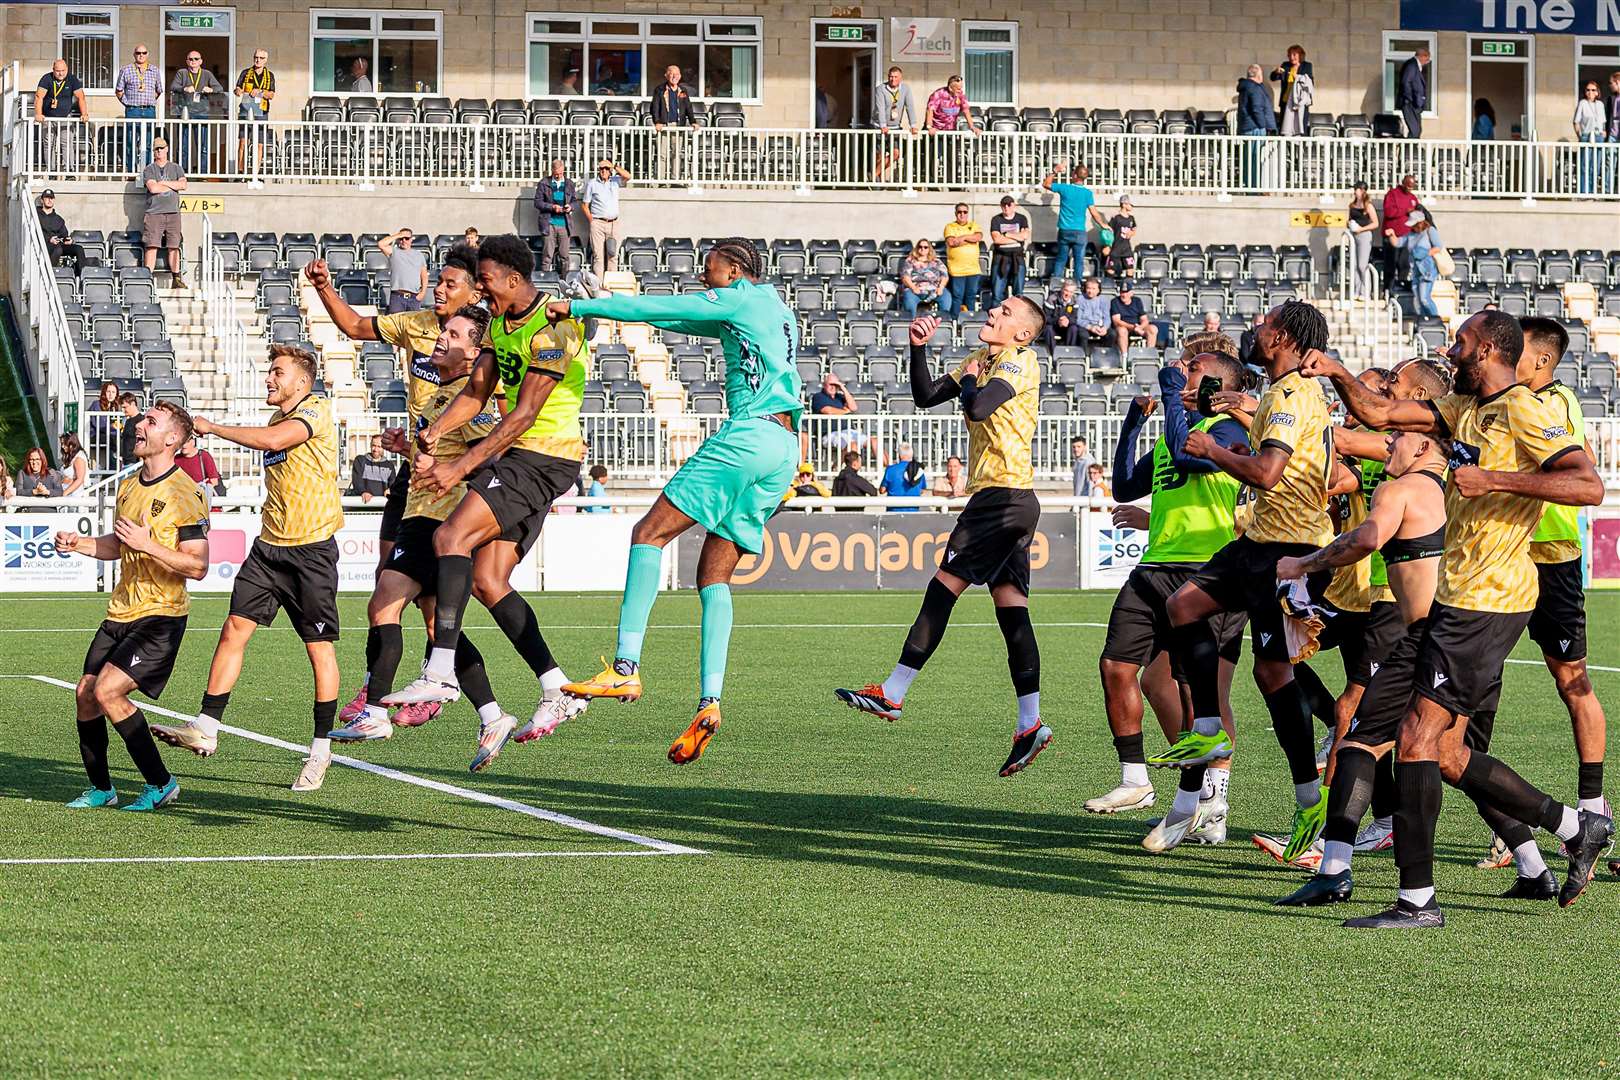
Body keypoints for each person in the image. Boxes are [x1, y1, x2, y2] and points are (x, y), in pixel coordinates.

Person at [1302, 311, 1612, 925]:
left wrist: (1492, 477)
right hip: (1455, 597)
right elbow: (1381, 415)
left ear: (1490, 348)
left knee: (1416, 740)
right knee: (1442, 751)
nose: (1451, 348)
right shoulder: (1465, 407)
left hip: (1489, 600)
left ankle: (1417, 899)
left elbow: (1589, 486)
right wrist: (1336, 371)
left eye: (1461, 341)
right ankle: (1575, 827)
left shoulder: (1527, 408)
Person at [549, 239, 801, 765]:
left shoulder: (736, 296)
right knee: (714, 575)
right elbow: (682, 322)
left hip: (749, 436)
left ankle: (623, 668)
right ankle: (710, 701)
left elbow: (660, 307)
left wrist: (582, 306)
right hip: (784, 450)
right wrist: (627, 317)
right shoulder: (775, 309)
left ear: (734, 268)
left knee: (649, 534)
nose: (702, 271)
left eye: (710, 263)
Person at [380, 236, 593, 763]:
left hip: (542, 457)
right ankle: (557, 689)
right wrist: (433, 432)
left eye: (488, 280)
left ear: (516, 279)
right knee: (486, 580)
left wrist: (458, 465)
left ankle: (441, 673)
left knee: (450, 535)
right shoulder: (501, 325)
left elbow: (519, 415)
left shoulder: (554, 330)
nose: (482, 290)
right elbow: (476, 393)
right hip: (524, 459)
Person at [1152, 301, 1338, 861]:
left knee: (1273, 673)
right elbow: (1276, 427)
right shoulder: (1290, 394)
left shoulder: (1289, 395)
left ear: (1279, 336)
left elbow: (1267, 472)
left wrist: (1211, 448)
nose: (1253, 330)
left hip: (1289, 549)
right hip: (1259, 542)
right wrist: (1236, 404)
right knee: (1183, 607)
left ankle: (1311, 802)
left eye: (1263, 325)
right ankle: (1208, 725)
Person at [836, 299, 1049, 777]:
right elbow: (927, 395)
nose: (995, 310)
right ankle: (1030, 722)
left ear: (1023, 334)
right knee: (1012, 611)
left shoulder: (1018, 360)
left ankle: (893, 692)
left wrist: (971, 376)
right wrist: (918, 349)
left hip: (1000, 499)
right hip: (1010, 498)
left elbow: (977, 406)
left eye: (1007, 310)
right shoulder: (985, 360)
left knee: (942, 588)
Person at [328, 308, 526, 768]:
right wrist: (409, 448)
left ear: (475, 354)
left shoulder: (469, 398)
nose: (441, 338)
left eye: (454, 335)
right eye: (442, 331)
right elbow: (445, 449)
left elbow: (493, 451)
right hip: (424, 515)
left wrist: (446, 471)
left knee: (385, 601)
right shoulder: (442, 397)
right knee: (437, 627)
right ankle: (493, 715)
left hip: (440, 519)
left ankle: (375, 710)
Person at [150, 345, 346, 793]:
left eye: (277, 372)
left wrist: (212, 427)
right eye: (269, 371)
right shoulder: (278, 419)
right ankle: (206, 726)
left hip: (311, 552)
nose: (269, 379)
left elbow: (274, 442)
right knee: (233, 631)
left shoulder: (316, 409)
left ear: (302, 381)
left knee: (319, 651)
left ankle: (320, 748)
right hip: (268, 549)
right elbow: (272, 437)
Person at [1271, 425, 1449, 907]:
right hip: (1428, 630)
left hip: (1430, 633)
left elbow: (1366, 537)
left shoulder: (1403, 489)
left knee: (1399, 746)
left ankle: (1360, 871)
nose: (1386, 442)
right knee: (1430, 753)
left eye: (1396, 435)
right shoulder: (1450, 484)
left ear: (1426, 443)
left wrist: (1303, 564)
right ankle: (1340, 867)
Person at [1459, 318, 1610, 874]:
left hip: (1550, 560)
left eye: (1520, 351)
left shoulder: (1553, 404)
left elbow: (1576, 477)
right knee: (1472, 705)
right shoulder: (1490, 403)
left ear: (1541, 362)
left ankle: (1593, 807)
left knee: (1573, 682)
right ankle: (1511, 827)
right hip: (1496, 566)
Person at [1089, 342, 1251, 829]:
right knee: (1119, 667)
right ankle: (1136, 779)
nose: (1183, 372)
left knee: (1199, 692)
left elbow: (1189, 459)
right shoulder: (1174, 432)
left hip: (1207, 571)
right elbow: (1123, 486)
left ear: (1215, 386)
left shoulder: (1225, 431)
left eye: (1193, 368)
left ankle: (1211, 803)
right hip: (1154, 565)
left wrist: (1169, 390)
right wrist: (1133, 424)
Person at [55, 400, 208, 813]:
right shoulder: (128, 485)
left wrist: (149, 545)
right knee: (86, 695)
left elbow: (198, 565)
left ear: (172, 439)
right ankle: (102, 789)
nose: (140, 425)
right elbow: (118, 545)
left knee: (107, 690)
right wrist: (79, 544)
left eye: (151, 422)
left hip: (161, 614)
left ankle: (161, 784)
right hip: (120, 611)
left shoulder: (186, 493)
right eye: (143, 419)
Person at [305, 241, 487, 583]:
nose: (439, 290)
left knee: (456, 590)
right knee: (385, 574)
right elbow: (356, 327)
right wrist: (323, 287)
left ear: (475, 294)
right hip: (415, 466)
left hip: (455, 472)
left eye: (451, 285)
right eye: (439, 281)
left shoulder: (487, 341)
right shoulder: (416, 323)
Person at [1041, 163, 1108, 282]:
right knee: (1079, 261)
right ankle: (1077, 287)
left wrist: (1054, 171)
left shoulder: (1066, 188)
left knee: (1061, 259)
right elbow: (1094, 212)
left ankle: (1056, 284)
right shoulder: (1087, 193)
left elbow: (1046, 184)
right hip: (1080, 232)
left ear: (1075, 175)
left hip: (1065, 231)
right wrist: (1103, 224)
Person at [169, 49, 225, 174]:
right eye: (190, 59)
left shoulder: (206, 74)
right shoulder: (182, 73)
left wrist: (211, 89)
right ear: (186, 61)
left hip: (202, 113)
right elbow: (173, 87)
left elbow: (219, 88)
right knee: (183, 146)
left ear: (201, 61)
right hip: (185, 113)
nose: (193, 61)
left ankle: (202, 172)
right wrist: (184, 88)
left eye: (196, 59)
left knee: (203, 146)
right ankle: (182, 172)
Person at [140, 139, 187, 288]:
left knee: (174, 246)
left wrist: (163, 184)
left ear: (167, 149)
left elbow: (183, 185)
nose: (159, 151)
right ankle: (148, 278)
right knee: (152, 245)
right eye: (156, 149)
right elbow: (153, 189)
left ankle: (176, 278)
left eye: (161, 148)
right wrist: (172, 185)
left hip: (173, 212)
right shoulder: (149, 169)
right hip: (154, 213)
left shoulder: (176, 168)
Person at [34, 58, 86, 173]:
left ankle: (69, 171)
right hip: (48, 117)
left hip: (65, 117)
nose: (60, 73)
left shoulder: (72, 79)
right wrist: (38, 114)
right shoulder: (46, 78)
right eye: (57, 71)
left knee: (66, 143)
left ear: (67, 69)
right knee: (48, 143)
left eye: (63, 70)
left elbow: (81, 97)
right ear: (53, 70)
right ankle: (51, 170)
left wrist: (84, 114)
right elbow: (39, 97)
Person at [113, 43, 161, 168]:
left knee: (148, 142)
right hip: (132, 110)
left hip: (149, 110)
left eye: (144, 53)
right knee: (130, 142)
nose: (141, 55)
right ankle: (131, 170)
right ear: (134, 54)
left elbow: (159, 90)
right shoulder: (126, 69)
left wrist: (148, 101)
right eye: (138, 53)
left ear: (147, 54)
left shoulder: (155, 70)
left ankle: (147, 170)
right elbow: (119, 91)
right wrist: (128, 103)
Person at [582, 158, 632, 276]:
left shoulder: (615, 181)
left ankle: (611, 286)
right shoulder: (592, 184)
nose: (603, 171)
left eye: (606, 169)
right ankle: (599, 286)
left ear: (610, 170)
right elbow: (585, 205)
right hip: (598, 223)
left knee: (613, 255)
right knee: (598, 257)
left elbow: (628, 176)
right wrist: (591, 220)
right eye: (601, 169)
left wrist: (614, 166)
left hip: (613, 223)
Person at [873, 66, 919, 182]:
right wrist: (883, 124)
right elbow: (880, 108)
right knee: (880, 156)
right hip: (879, 126)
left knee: (896, 153)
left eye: (895, 77)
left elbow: (910, 107)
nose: (892, 79)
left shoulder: (905, 89)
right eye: (890, 77)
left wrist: (913, 124)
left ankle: (873, 175)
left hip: (895, 126)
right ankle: (877, 179)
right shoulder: (880, 89)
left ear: (900, 78)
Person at [234, 50, 276, 175]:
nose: (258, 60)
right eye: (256, 57)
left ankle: (255, 173)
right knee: (243, 141)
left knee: (259, 144)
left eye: (261, 58)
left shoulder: (270, 75)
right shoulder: (245, 73)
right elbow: (237, 89)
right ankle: (240, 172)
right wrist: (238, 91)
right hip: (246, 110)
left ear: (266, 60)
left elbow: (271, 94)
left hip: (261, 112)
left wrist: (260, 92)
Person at [1236, 64, 1277, 191]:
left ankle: (1250, 187)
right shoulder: (1255, 88)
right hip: (1255, 129)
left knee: (1248, 160)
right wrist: (1263, 126)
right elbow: (1256, 109)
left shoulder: (1246, 87)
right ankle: (1253, 189)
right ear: (1259, 75)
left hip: (1247, 127)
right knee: (1254, 160)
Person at [534, 160, 578, 273]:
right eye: (556, 174)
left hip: (565, 224)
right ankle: (546, 280)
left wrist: (570, 207)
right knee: (547, 255)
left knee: (564, 256)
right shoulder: (544, 183)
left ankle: (563, 280)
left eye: (560, 173)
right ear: (552, 171)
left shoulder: (569, 184)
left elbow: (574, 201)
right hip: (549, 224)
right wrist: (552, 207)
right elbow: (537, 203)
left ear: (563, 171)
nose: (558, 176)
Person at [942, 203, 983, 319]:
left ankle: (969, 322)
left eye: (965, 212)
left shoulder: (974, 225)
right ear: (956, 213)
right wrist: (970, 239)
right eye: (959, 212)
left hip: (973, 269)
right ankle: (955, 322)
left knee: (971, 297)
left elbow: (978, 237)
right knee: (957, 297)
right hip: (957, 270)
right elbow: (951, 242)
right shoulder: (950, 227)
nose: (962, 214)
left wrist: (961, 238)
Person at [988, 196, 1030, 305]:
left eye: (1009, 204)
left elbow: (1024, 236)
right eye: (1004, 205)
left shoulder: (1022, 218)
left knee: (1019, 294)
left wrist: (1007, 234)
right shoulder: (996, 219)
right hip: (1000, 259)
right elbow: (997, 239)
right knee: (997, 293)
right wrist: (1016, 237)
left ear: (1014, 205)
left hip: (1018, 258)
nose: (1006, 207)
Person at [1381, 174, 1420, 293]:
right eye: (1408, 187)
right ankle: (1388, 290)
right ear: (1403, 184)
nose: (1410, 189)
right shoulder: (1392, 194)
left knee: (1404, 265)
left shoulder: (1413, 198)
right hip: (1392, 236)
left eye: (1412, 187)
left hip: (1407, 237)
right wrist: (1405, 210)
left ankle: (1400, 289)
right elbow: (1389, 212)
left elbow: (1418, 215)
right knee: (1390, 265)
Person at [812, 373, 865, 453]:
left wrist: (843, 388)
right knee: (852, 445)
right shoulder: (818, 397)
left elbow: (853, 408)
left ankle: (890, 465)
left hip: (848, 431)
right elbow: (828, 411)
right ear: (824, 385)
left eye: (836, 385)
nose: (833, 387)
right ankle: (848, 465)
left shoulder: (840, 397)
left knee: (875, 442)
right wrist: (846, 411)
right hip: (830, 433)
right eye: (831, 384)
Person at [379, 228, 428, 313]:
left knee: (412, 325)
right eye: (401, 239)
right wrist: (398, 235)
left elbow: (424, 275)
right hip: (397, 297)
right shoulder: (394, 252)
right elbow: (381, 244)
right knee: (395, 325)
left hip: (414, 298)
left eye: (407, 238)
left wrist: (423, 293)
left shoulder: (419, 255)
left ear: (411, 239)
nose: (404, 240)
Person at [37, 189, 85, 275]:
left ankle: (81, 276)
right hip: (44, 244)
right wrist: (49, 239)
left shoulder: (58, 219)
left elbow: (64, 234)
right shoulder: (36, 216)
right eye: (47, 198)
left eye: (51, 198)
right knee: (58, 249)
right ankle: (50, 275)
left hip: (58, 244)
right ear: (42, 200)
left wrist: (68, 240)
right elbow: (34, 232)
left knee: (79, 249)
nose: (49, 200)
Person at [898, 239, 947, 317]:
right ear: (917, 248)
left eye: (925, 247)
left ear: (929, 249)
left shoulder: (936, 261)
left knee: (946, 298)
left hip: (935, 288)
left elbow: (944, 275)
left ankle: (943, 322)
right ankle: (912, 322)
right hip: (915, 289)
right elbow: (905, 276)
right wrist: (913, 288)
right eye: (920, 247)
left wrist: (941, 287)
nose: (922, 249)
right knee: (909, 299)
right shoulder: (910, 261)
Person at [1270, 45, 1313, 131]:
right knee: (1285, 128)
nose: (1291, 57)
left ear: (1300, 55)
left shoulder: (1307, 66)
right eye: (1289, 55)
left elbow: (1309, 82)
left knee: (1300, 128)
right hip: (1286, 102)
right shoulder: (1285, 65)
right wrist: (1276, 72)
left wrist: (1296, 76)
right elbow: (1273, 78)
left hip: (1300, 102)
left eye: (1294, 55)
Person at [1406, 211, 1442, 317]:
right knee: (1418, 301)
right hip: (1415, 270)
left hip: (1427, 269)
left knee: (1424, 299)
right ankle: (1424, 322)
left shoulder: (1430, 231)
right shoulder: (1412, 235)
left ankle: (1436, 320)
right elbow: (1399, 242)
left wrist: (1425, 254)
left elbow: (1438, 246)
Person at [1109, 281, 1158, 355]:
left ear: (1131, 293)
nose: (1124, 295)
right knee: (1122, 330)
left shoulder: (1137, 301)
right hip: (1124, 326)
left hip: (1137, 326)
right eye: (1122, 292)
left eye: (1126, 292)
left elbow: (1144, 319)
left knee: (1153, 328)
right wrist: (1134, 327)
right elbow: (1117, 321)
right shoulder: (1115, 302)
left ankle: (1149, 354)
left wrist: (1140, 327)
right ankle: (1124, 356)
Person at [1575, 81, 1606, 195]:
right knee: (1585, 166)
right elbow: (1576, 122)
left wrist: (1604, 132)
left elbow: (1603, 122)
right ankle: (1584, 192)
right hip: (1586, 136)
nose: (1590, 92)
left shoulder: (1600, 105)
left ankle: (1593, 192)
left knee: (1596, 166)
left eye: (1593, 90)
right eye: (1588, 90)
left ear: (1597, 92)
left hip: (1598, 137)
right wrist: (1580, 135)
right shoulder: (1582, 103)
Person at [1347, 181, 1377, 298]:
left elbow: (1375, 223)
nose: (1355, 192)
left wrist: (1361, 229)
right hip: (1353, 235)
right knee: (1353, 264)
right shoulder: (1352, 205)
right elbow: (1350, 218)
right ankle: (1356, 290)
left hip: (1364, 235)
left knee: (1362, 264)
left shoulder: (1368, 206)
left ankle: (1365, 291)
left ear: (1363, 191)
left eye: (1357, 189)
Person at [347, 435, 396, 502]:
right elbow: (357, 481)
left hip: (382, 505)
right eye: (373, 445)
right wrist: (363, 492)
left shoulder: (389, 466)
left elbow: (393, 485)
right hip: (362, 504)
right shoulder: (360, 460)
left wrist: (390, 490)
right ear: (370, 445)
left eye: (379, 446)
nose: (375, 449)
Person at [880, 444, 927, 511]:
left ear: (899, 455)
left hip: (893, 512)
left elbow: (882, 490)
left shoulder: (890, 470)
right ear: (911, 454)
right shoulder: (918, 470)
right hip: (913, 512)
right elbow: (922, 490)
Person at [1104, 194, 1138, 280]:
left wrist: (1132, 232)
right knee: (1111, 269)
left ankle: (1128, 286)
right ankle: (1110, 285)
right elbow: (1109, 232)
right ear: (1124, 204)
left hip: (1126, 248)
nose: (1132, 206)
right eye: (1130, 204)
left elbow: (1134, 229)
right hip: (1116, 247)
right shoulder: (1116, 218)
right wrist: (1107, 245)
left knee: (1130, 269)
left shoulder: (1131, 218)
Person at [1397, 47, 1429, 139]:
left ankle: (1412, 151)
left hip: (1414, 104)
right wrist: (1411, 99)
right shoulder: (1411, 65)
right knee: (1414, 130)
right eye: (1427, 59)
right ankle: (1408, 152)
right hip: (1410, 104)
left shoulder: (1415, 66)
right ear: (1422, 56)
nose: (1426, 62)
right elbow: (1406, 82)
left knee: (1417, 130)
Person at [1075, 277, 1112, 352]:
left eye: (1093, 289)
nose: (1090, 291)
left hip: (1100, 326)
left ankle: (1105, 354)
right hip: (1086, 326)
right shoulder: (1080, 299)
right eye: (1088, 288)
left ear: (1098, 290)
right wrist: (1091, 327)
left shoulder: (1104, 300)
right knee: (1083, 335)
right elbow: (1078, 319)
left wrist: (1104, 328)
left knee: (1112, 334)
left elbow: (1107, 318)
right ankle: (1084, 355)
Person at [1044, 280, 1082, 350]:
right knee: (1048, 329)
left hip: (1067, 326)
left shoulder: (1076, 300)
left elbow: (1076, 318)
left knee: (1074, 328)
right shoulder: (1052, 299)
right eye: (1066, 290)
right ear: (1062, 289)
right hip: (1054, 326)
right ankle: (1052, 353)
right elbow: (1046, 318)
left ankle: (1069, 351)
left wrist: (1068, 321)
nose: (1068, 294)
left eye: (1071, 292)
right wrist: (1058, 321)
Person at [59, 432, 89, 496]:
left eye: (65, 444)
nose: (62, 446)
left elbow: (80, 479)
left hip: (74, 494)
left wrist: (64, 493)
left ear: (72, 443)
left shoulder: (79, 458)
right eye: (61, 443)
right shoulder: (71, 456)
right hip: (67, 490)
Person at [118, 393, 143, 466]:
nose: (123, 410)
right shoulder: (128, 421)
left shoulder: (141, 420)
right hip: (126, 462)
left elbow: (143, 442)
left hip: (134, 463)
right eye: (122, 407)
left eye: (125, 407)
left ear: (133, 404)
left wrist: (141, 463)